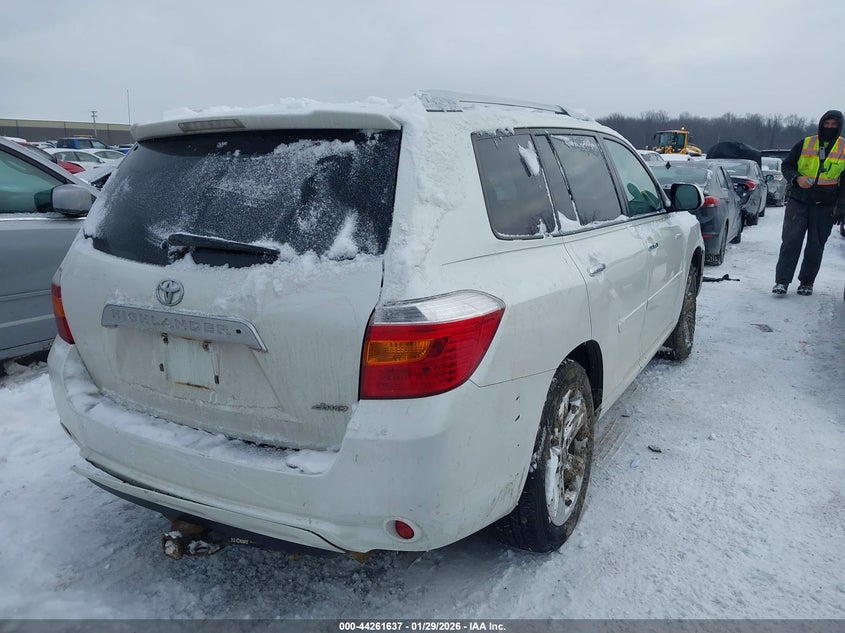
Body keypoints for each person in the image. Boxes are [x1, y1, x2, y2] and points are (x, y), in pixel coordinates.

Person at [772, 110, 845, 295]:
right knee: (790, 242)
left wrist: (841, 207)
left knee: (816, 245)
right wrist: (796, 178)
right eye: (826, 124)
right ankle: (781, 282)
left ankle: (807, 282)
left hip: (825, 204)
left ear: (839, 127)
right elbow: (787, 165)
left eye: (833, 125)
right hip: (799, 200)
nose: (829, 128)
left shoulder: (843, 148)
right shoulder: (806, 143)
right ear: (821, 124)